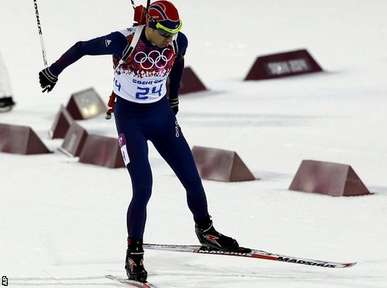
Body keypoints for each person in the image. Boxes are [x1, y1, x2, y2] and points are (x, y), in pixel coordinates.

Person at [38, 0, 240, 283]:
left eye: (174, 32)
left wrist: (172, 97)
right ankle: (134, 253)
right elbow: (82, 47)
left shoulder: (177, 41)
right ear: (150, 25)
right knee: (143, 188)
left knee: (192, 178)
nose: (169, 38)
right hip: (130, 121)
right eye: (164, 32)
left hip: (161, 117)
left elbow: (178, 61)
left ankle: (206, 230)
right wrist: (53, 71)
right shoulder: (124, 41)